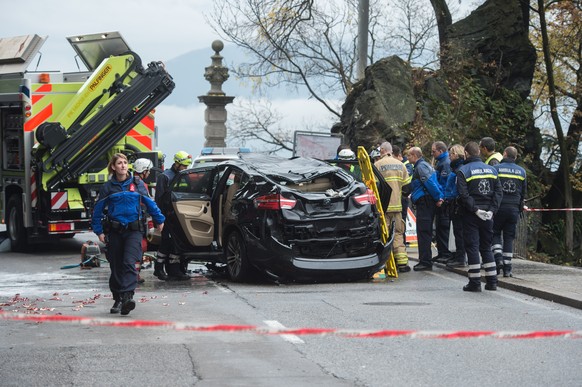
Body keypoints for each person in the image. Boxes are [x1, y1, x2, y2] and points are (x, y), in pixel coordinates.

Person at [91, 153, 165, 315]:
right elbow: (97, 210)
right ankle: (117, 298)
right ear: (113, 167)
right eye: (119, 163)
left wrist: (159, 220)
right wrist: (99, 231)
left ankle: (127, 297)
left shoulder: (138, 184)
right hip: (115, 231)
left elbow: (150, 203)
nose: (123, 165)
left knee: (129, 262)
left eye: (125, 162)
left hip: (134, 231)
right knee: (116, 265)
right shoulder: (108, 187)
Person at [456, 141, 503, 292]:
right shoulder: (492, 170)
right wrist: (492, 210)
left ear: (466, 154)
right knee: (486, 247)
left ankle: (475, 282)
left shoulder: (463, 171)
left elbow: (463, 195)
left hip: (471, 214)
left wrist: (475, 209)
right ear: (479, 152)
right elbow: (498, 192)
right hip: (488, 214)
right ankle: (492, 282)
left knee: (472, 247)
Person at [153, 150, 193, 281]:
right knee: (166, 243)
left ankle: (174, 270)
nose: (185, 168)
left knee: (178, 244)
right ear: (177, 163)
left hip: (179, 216)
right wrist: (158, 219)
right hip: (166, 216)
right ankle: (158, 268)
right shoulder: (165, 177)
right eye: (184, 166)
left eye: (187, 166)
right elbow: (159, 199)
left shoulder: (184, 176)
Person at [374, 142, 411, 272]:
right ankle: (402, 263)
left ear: (383, 150)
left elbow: (373, 186)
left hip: (383, 208)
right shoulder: (401, 165)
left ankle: (385, 265)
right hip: (397, 207)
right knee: (398, 234)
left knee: (383, 235)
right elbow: (407, 187)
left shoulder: (377, 165)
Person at [407, 147, 444, 271]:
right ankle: (425, 259)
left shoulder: (421, 167)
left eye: (409, 155)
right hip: (427, 201)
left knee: (423, 231)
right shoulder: (425, 165)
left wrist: (438, 197)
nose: (407, 158)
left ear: (414, 155)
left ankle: (425, 261)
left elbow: (429, 183)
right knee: (425, 231)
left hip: (425, 201)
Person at [492, 146, 527, 277]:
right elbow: (523, 193)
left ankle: (498, 259)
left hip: (499, 207)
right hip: (513, 209)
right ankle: (507, 269)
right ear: (515, 157)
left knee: (494, 233)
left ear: (504, 154)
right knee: (509, 238)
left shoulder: (496, 169)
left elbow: (492, 189)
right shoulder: (522, 172)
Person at [443, 144, 467, 268]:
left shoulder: (459, 170)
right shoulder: (457, 168)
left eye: (451, 154)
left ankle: (460, 257)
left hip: (456, 204)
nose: (449, 156)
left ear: (456, 155)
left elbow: (457, 188)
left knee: (459, 232)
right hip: (454, 203)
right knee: (458, 232)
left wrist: (450, 198)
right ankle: (458, 255)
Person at [132, 158, 154, 284]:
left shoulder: (129, 181)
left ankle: (134, 274)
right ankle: (135, 275)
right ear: (144, 171)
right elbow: (147, 204)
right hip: (139, 221)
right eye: (148, 170)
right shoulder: (141, 184)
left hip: (133, 221)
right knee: (140, 247)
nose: (149, 173)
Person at [431, 141, 452, 263]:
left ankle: (445, 253)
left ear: (441, 151)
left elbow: (445, 184)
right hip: (440, 199)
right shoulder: (441, 162)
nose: (432, 153)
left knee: (443, 227)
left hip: (443, 201)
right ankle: (441, 252)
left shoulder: (445, 163)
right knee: (439, 227)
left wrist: (441, 198)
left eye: (434, 151)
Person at [392, 145, 413, 246]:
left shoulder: (406, 165)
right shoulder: (401, 164)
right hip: (398, 197)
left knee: (401, 223)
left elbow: (406, 183)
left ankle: (403, 243)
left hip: (403, 197)